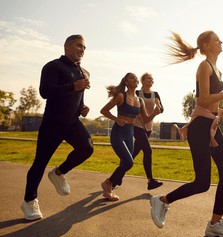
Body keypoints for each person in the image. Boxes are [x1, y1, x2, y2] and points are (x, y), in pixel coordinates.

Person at [150, 31, 223, 237]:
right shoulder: (204, 66)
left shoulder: (217, 70)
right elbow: (202, 100)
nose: (221, 41)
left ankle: (215, 224)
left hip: (211, 124)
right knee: (202, 183)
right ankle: (162, 200)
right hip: (200, 127)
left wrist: (219, 111)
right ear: (206, 45)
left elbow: (211, 103)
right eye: (217, 39)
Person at [21, 34, 94, 220]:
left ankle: (59, 173)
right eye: (79, 46)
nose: (82, 50)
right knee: (39, 163)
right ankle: (29, 201)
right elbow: (45, 92)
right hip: (53, 122)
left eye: (84, 47)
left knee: (87, 148)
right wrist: (73, 86)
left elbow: (79, 97)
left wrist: (82, 108)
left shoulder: (84, 72)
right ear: (67, 46)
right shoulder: (53, 66)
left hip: (72, 122)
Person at [100, 72, 161, 201]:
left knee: (126, 162)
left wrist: (155, 113)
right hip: (118, 133)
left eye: (135, 78)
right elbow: (104, 110)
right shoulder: (120, 96)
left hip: (130, 133)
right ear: (126, 82)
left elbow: (145, 120)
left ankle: (109, 188)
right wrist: (116, 119)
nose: (135, 79)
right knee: (129, 161)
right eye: (131, 78)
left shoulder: (140, 101)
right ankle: (108, 183)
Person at [132, 73, 164, 190]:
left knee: (133, 153)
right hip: (137, 125)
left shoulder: (155, 94)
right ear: (143, 81)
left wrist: (159, 107)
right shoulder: (137, 94)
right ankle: (150, 180)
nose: (151, 80)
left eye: (152, 79)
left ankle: (115, 178)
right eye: (149, 78)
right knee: (148, 151)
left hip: (148, 127)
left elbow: (161, 109)